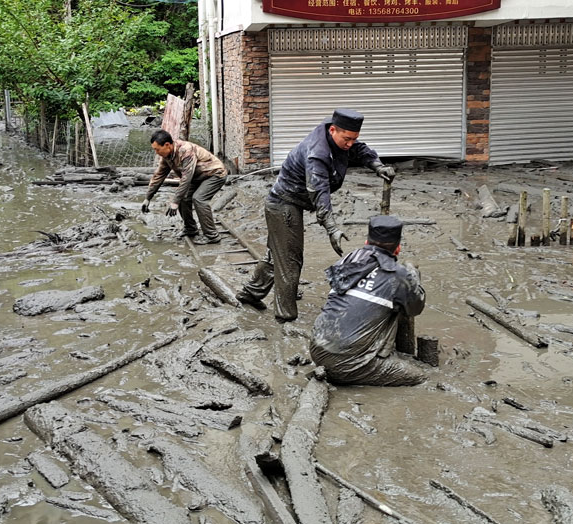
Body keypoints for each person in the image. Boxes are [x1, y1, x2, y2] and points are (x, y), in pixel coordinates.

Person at [235, 108, 396, 321]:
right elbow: (319, 193)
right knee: (290, 260)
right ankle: (285, 316)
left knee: (278, 254)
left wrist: (377, 166)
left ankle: (250, 294)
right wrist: (332, 228)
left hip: (293, 202)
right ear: (332, 130)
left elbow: (359, 150)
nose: (350, 144)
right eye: (346, 139)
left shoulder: (341, 136)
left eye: (353, 139)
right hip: (284, 203)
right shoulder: (317, 154)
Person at [309, 215, 428, 386]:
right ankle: (360, 368)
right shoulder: (399, 275)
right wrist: (412, 274)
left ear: (366, 242)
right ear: (398, 248)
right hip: (349, 364)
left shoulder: (350, 259)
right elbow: (416, 307)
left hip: (317, 350)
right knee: (420, 378)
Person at [141, 130, 228, 244]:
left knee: (199, 199)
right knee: (183, 198)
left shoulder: (186, 150)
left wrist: (174, 202)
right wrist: (148, 198)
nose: (156, 152)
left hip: (214, 174)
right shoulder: (167, 156)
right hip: (197, 177)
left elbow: (186, 178)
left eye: (157, 149)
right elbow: (159, 176)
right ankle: (190, 229)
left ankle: (212, 236)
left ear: (167, 145)